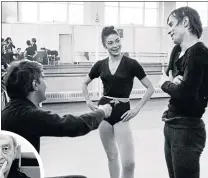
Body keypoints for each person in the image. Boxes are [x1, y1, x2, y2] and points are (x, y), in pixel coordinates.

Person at [82, 26, 154, 178]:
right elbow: (84, 83)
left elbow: (150, 88)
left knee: (129, 163)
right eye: (110, 43)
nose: (115, 45)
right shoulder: (100, 65)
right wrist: (88, 101)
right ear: (105, 45)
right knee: (112, 157)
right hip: (104, 112)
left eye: (117, 41)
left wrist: (136, 109)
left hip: (123, 114)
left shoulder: (131, 64)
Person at [1, 59, 112, 153]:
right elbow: (73, 125)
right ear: (35, 85)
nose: (46, 83)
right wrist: (102, 112)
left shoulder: (9, 110)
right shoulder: (28, 115)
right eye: (43, 78)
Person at [159, 6, 208, 178]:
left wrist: (166, 84)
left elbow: (183, 93)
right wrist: (172, 83)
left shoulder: (199, 53)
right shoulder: (176, 51)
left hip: (187, 129)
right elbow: (172, 81)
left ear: (185, 22)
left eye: (172, 24)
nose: (169, 31)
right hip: (171, 123)